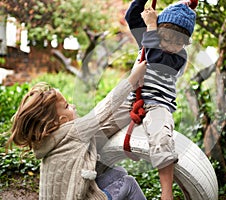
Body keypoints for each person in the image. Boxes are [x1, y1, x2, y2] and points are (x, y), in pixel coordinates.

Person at [6, 61, 147, 200]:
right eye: (67, 106)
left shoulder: (48, 143)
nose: (73, 106)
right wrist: (133, 78)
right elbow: (105, 107)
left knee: (118, 173)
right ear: (60, 121)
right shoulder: (74, 132)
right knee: (129, 183)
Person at [102, 0, 196, 199]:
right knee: (100, 128)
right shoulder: (149, 37)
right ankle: (94, 174)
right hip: (131, 100)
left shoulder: (179, 57)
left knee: (161, 137)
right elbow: (132, 16)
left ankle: (166, 193)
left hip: (158, 104)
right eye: (166, 38)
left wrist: (152, 26)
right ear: (159, 30)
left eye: (178, 42)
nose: (171, 45)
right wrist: (149, 18)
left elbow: (155, 57)